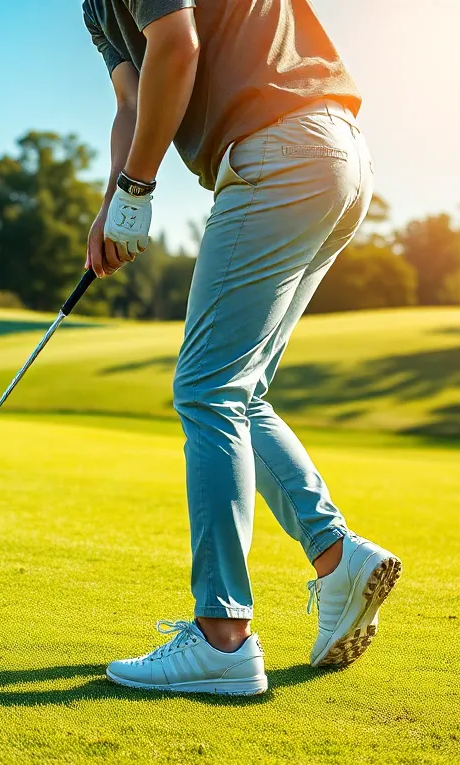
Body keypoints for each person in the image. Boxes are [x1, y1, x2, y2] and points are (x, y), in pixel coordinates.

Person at [83, 0, 401, 695]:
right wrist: (114, 201)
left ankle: (222, 637)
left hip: (280, 149)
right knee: (241, 391)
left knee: (205, 389)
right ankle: (337, 559)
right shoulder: (93, 7)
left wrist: (139, 188)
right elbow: (132, 101)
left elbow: (176, 45)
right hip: (336, 156)